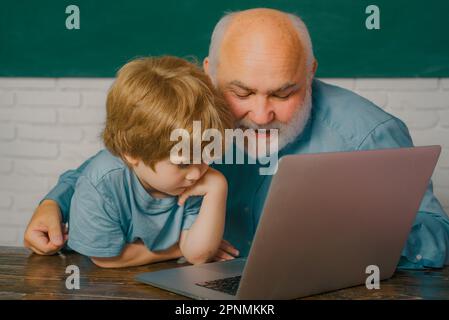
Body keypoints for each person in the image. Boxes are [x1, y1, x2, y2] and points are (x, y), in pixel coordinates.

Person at [24, 8, 449, 269]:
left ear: (311, 72)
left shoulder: (369, 134)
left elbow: (436, 237)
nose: (261, 115)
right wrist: (54, 202)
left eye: (285, 93)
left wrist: (350, 237)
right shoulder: (196, 108)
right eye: (241, 92)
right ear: (209, 72)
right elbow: (122, 160)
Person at [51, 56, 233, 268]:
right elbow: (106, 258)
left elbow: (197, 255)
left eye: (206, 156)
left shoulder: (195, 177)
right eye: (183, 163)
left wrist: (218, 188)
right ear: (132, 153)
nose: (196, 173)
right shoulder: (101, 183)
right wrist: (177, 249)